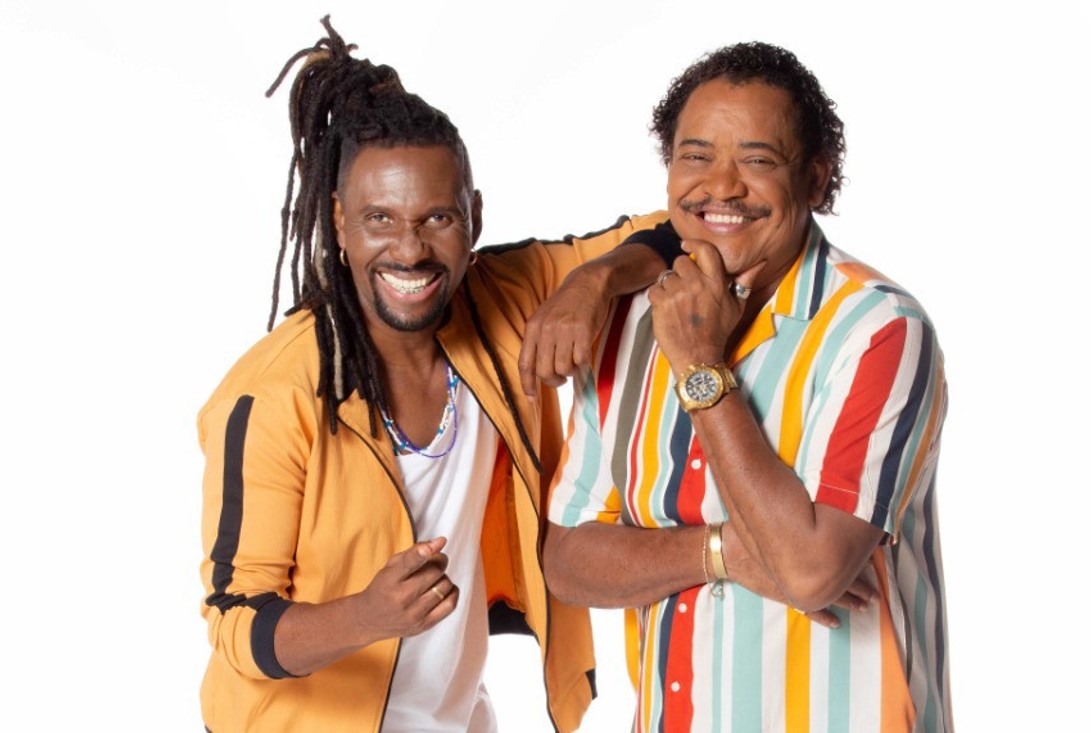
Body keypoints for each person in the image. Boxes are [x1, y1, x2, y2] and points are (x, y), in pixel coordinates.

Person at [196, 17, 673, 733]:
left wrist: (593, 282)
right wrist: (367, 614)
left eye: (437, 218)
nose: (410, 249)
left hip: (456, 717)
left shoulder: (504, 295)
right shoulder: (274, 394)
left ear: (474, 216)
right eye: (379, 219)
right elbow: (237, 622)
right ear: (340, 222)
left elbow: (678, 229)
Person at [543, 42, 953, 732]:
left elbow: (810, 572)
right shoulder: (624, 326)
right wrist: (725, 552)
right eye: (695, 156)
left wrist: (698, 364)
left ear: (816, 178)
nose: (721, 187)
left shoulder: (877, 331)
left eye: (758, 161)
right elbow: (567, 561)